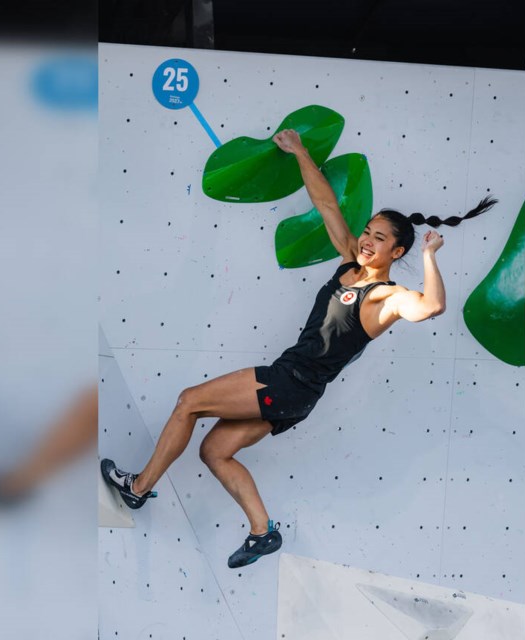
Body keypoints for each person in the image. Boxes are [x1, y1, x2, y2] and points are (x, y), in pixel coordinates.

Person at [102, 129, 498, 568]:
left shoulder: (387, 297)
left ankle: (137, 489)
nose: (366, 240)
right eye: (367, 231)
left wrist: (429, 256)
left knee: (188, 402)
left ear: (397, 249)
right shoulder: (350, 262)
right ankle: (261, 532)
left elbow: (433, 306)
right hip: (297, 394)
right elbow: (327, 203)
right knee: (214, 451)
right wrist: (300, 152)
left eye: (379, 238)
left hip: (289, 383)